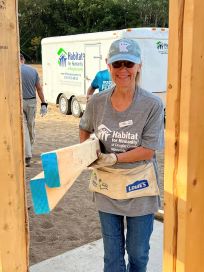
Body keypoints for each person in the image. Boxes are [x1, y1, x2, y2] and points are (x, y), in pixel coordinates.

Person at [79, 38, 164, 271]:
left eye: (129, 64)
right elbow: (85, 126)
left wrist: (114, 158)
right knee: (112, 257)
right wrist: (87, 151)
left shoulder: (153, 104)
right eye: (118, 64)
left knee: (138, 254)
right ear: (108, 65)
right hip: (107, 187)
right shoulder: (97, 102)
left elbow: (148, 149)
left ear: (139, 66)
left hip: (139, 188)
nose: (123, 70)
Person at [20, 54, 48, 167]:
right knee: (30, 127)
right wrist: (44, 103)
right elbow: (39, 88)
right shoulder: (33, 70)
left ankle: (27, 152)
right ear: (23, 59)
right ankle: (28, 153)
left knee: (24, 128)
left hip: (18, 102)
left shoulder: (13, 71)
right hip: (31, 103)